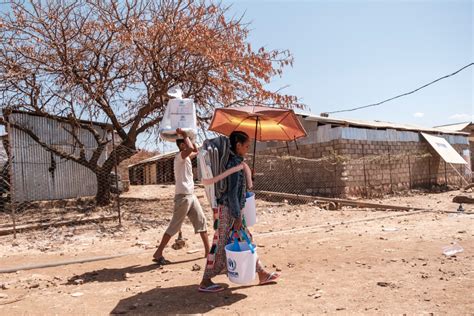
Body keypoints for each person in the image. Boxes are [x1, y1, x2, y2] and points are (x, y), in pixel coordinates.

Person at [198, 130, 280, 293]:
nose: (248, 149)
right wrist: (237, 217)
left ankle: (262, 273)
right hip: (229, 210)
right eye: (246, 146)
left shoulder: (235, 163)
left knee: (245, 239)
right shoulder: (234, 165)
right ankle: (206, 280)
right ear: (238, 145)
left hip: (230, 209)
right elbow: (232, 194)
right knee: (220, 244)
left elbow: (237, 188)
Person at [153, 128, 210, 264]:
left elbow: (195, 150)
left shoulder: (187, 158)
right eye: (186, 142)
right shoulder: (179, 157)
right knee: (174, 226)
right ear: (182, 145)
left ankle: (208, 252)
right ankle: (158, 252)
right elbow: (191, 149)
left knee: (201, 222)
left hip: (191, 195)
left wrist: (190, 136)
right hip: (183, 197)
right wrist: (185, 135)